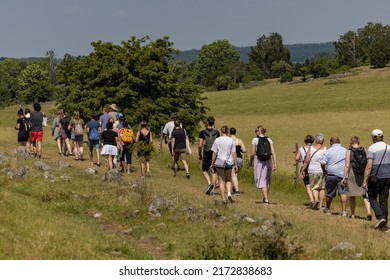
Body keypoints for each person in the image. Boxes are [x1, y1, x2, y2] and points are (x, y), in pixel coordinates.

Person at [362, 129, 390, 231]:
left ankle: (380, 217)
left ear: (374, 138)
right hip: (388, 177)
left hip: (376, 177)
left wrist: (364, 181)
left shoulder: (372, 148)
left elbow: (369, 166)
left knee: (372, 197)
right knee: (384, 199)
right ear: (382, 137)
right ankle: (385, 223)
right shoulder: (388, 147)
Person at [341, 136, 372, 220]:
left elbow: (347, 165)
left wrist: (344, 178)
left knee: (352, 195)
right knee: (365, 194)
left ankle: (353, 214)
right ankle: (368, 211)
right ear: (358, 142)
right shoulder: (364, 149)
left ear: (351, 142)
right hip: (363, 174)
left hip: (352, 174)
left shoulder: (349, 151)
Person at [211, 125, 238, 205]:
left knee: (221, 181)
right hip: (229, 162)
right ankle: (229, 193)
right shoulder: (231, 140)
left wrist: (212, 163)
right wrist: (235, 164)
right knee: (228, 180)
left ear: (221, 131)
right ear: (227, 131)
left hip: (220, 161)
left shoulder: (217, 140)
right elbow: (234, 153)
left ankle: (223, 199)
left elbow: (214, 152)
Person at [321, 136, 348, 216]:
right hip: (343, 175)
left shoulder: (328, 151)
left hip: (331, 174)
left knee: (329, 193)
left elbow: (323, 163)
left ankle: (328, 209)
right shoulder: (345, 150)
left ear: (331, 143)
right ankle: (343, 211)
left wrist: (324, 171)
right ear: (339, 142)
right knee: (343, 193)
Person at [250, 125, 277, 204]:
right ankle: (266, 197)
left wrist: (251, 161)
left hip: (259, 161)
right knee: (267, 179)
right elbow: (273, 152)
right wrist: (275, 163)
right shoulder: (269, 140)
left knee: (261, 179)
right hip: (268, 160)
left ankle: (266, 199)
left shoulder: (255, 140)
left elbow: (252, 153)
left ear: (259, 132)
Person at [301, 134, 327, 210]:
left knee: (314, 187)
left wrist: (303, 169)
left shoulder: (311, 148)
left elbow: (306, 160)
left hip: (312, 170)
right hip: (322, 170)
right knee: (322, 188)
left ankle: (316, 199)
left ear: (315, 140)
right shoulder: (325, 149)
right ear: (323, 141)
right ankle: (320, 206)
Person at [199, 116, 220, 195]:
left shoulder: (202, 132)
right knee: (214, 171)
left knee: (204, 170)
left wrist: (199, 153)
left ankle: (209, 183)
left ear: (207, 122)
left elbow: (200, 145)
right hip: (215, 152)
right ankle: (214, 191)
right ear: (213, 123)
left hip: (207, 152)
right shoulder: (217, 132)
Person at [296, 134, 315, 207]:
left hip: (304, 168)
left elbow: (297, 158)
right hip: (313, 168)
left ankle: (311, 200)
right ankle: (315, 198)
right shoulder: (314, 148)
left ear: (305, 141)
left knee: (307, 185)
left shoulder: (301, 148)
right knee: (313, 185)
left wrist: (301, 160)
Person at [230, 127, 246, 195]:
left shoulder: (229, 140)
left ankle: (237, 190)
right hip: (239, 159)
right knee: (236, 175)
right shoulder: (239, 140)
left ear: (230, 132)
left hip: (232, 159)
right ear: (235, 132)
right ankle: (234, 188)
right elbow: (244, 150)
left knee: (233, 175)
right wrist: (240, 150)